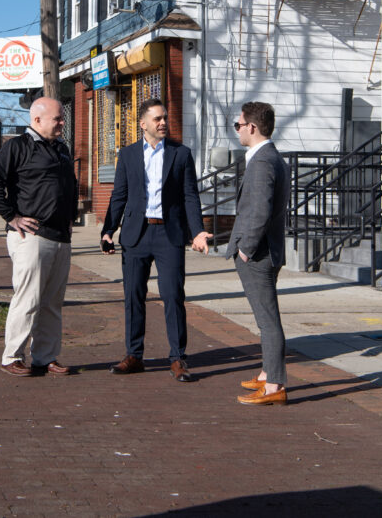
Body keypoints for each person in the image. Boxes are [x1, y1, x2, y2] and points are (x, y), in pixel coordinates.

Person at [101, 98, 213, 382]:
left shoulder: (181, 154)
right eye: (157, 119)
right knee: (133, 296)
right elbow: (119, 195)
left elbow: (190, 196)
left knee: (173, 295)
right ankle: (134, 355)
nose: (163, 123)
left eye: (165, 118)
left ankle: (177, 358)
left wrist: (197, 231)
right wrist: (108, 230)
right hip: (136, 235)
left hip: (169, 234)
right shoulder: (127, 156)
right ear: (143, 124)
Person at [0, 97, 77, 377]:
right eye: (57, 119)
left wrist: (70, 219)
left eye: (62, 118)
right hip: (32, 237)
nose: (62, 123)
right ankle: (12, 356)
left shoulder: (61, 149)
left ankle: (45, 356)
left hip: (60, 236)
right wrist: (10, 216)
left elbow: (67, 187)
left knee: (51, 301)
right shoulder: (18, 147)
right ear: (37, 120)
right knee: (28, 298)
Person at [225, 101, 291, 405]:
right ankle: (267, 375)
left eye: (239, 125)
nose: (237, 130)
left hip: (260, 254)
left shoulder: (263, 161)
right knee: (267, 318)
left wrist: (245, 249)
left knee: (267, 321)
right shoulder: (271, 157)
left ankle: (275, 385)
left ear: (252, 127)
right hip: (266, 251)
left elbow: (260, 210)